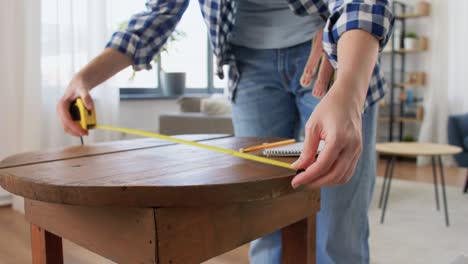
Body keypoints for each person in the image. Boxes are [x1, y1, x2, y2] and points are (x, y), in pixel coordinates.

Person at [57, 0, 394, 263]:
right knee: (264, 222)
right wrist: (84, 78)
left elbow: (359, 4)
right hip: (248, 67)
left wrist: (348, 82)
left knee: (338, 228)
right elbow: (159, 13)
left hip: (337, 52)